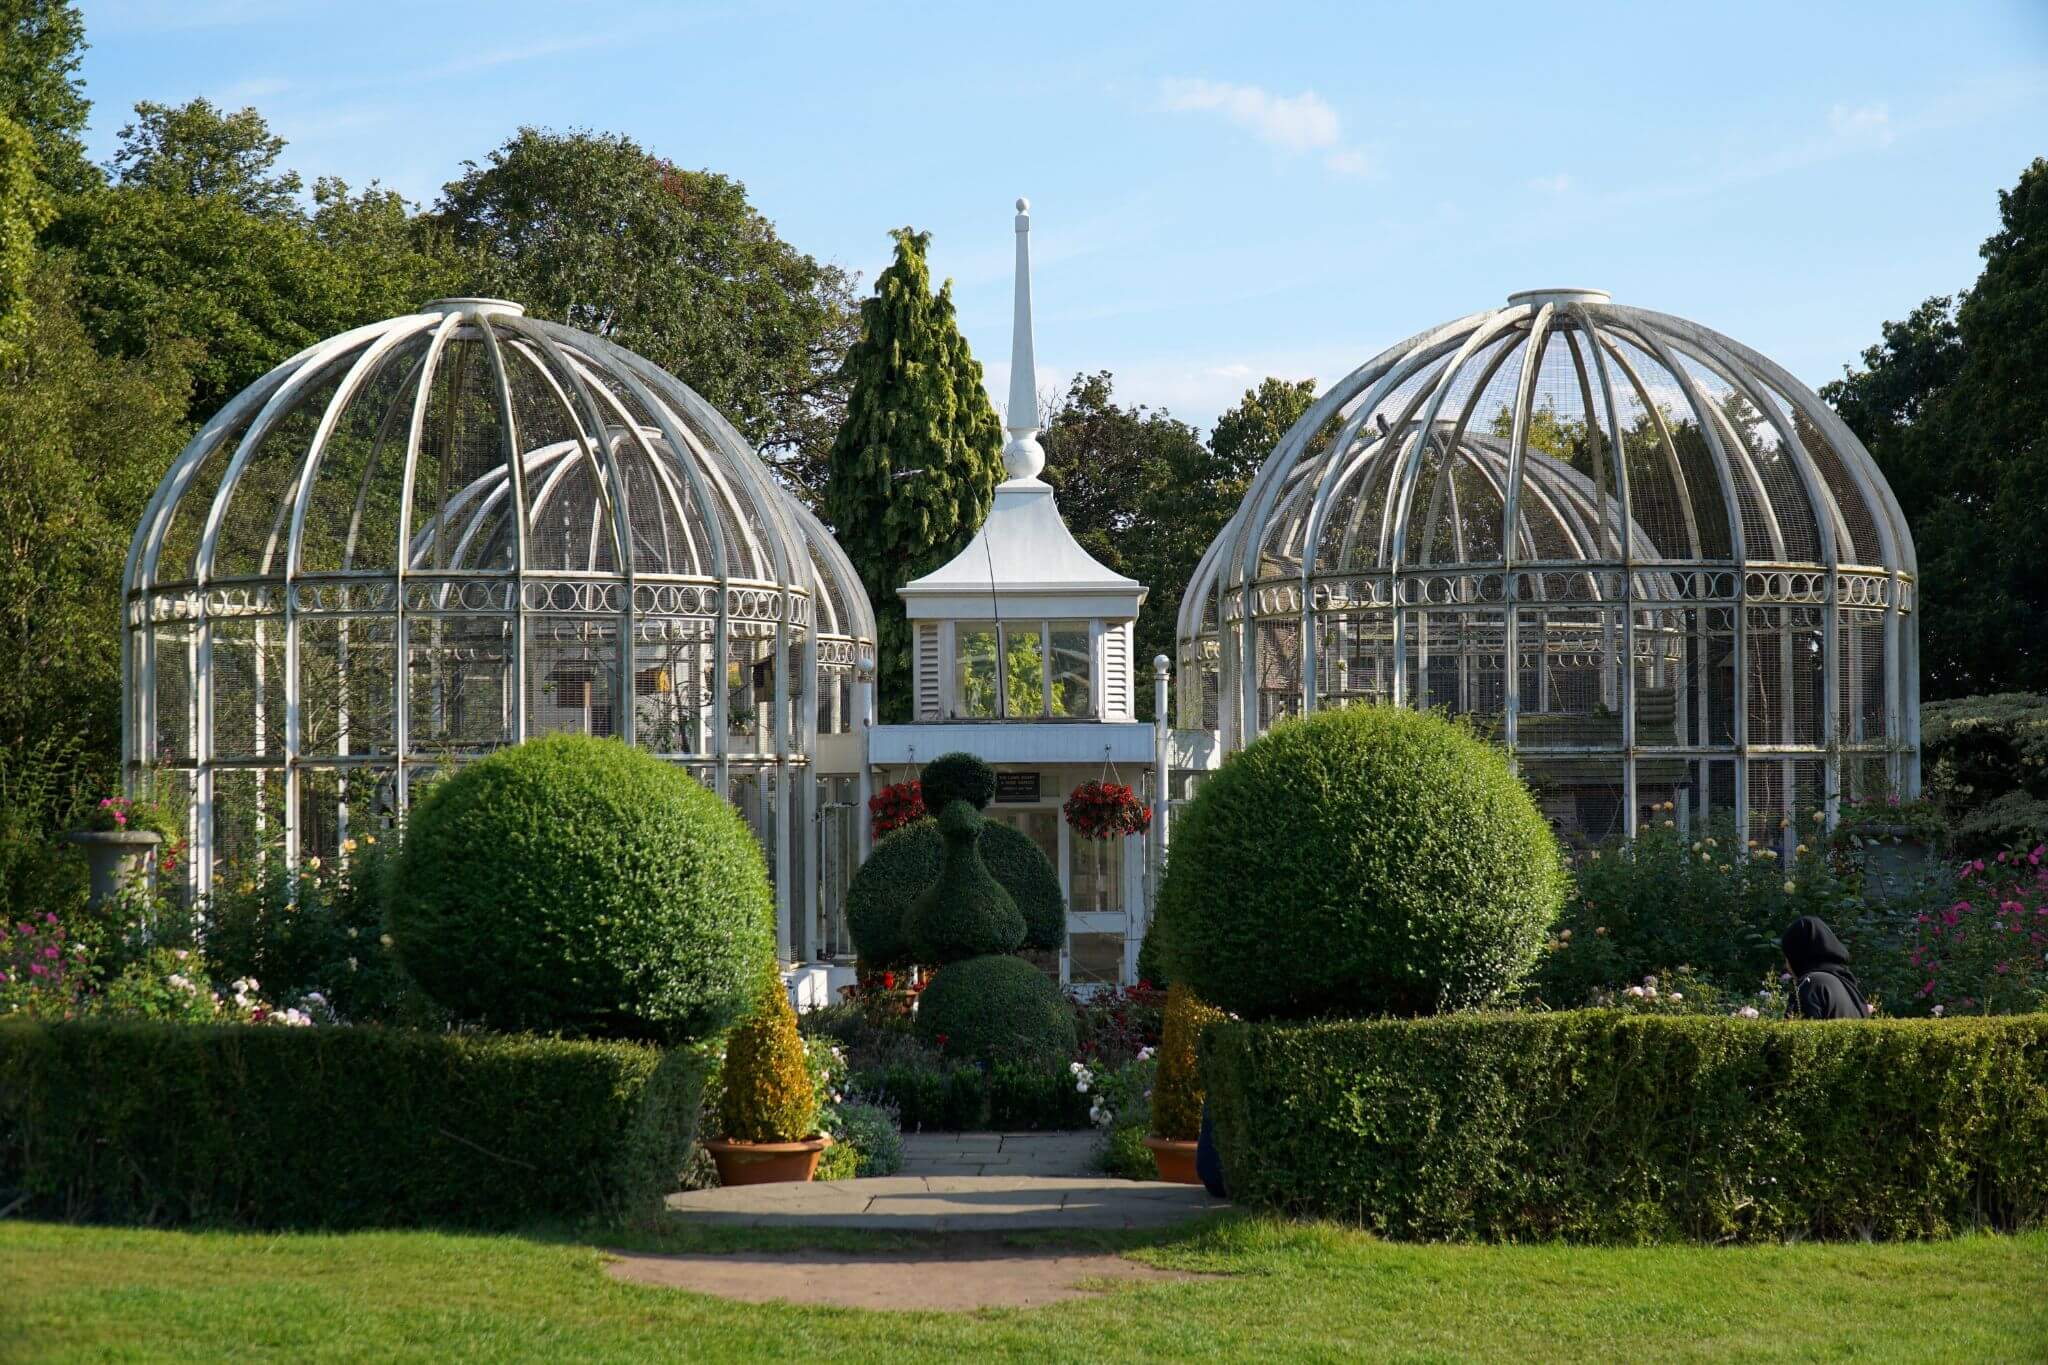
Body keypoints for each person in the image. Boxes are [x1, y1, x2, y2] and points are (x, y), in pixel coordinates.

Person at [1781, 916, 1871, 1019]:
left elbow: (1797, 1033)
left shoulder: (1811, 983)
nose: (1786, 965)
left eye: (1787, 957)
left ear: (1797, 955)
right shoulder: (1849, 986)